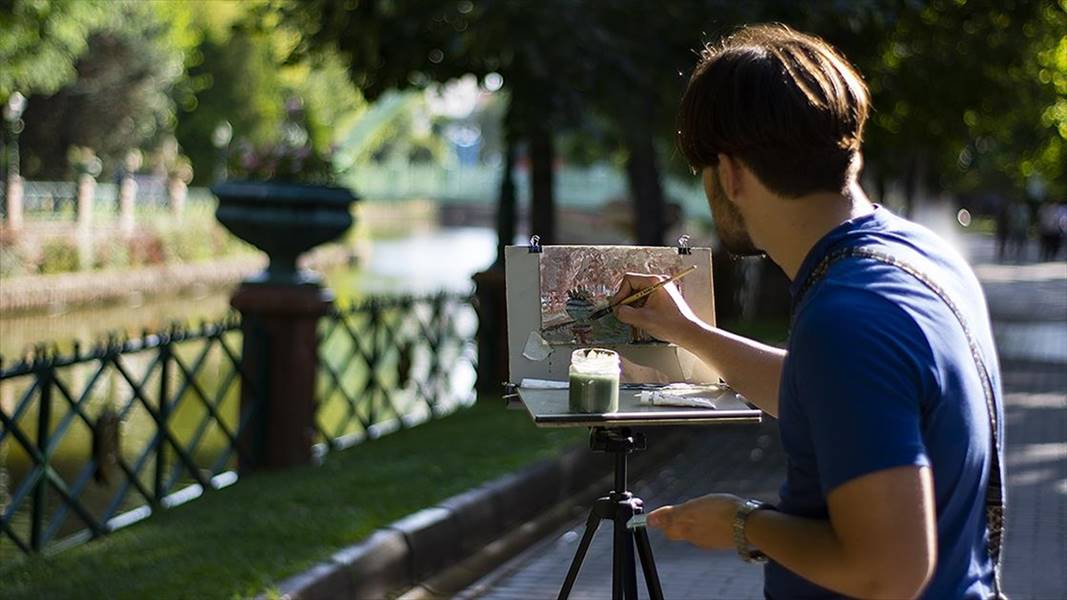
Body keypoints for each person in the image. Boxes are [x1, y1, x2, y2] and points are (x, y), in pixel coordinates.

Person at [612, 24, 1004, 599]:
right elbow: (830, 392)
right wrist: (687, 332)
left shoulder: (848, 318)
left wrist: (744, 525)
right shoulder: (918, 257)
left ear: (732, 173)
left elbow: (889, 572)